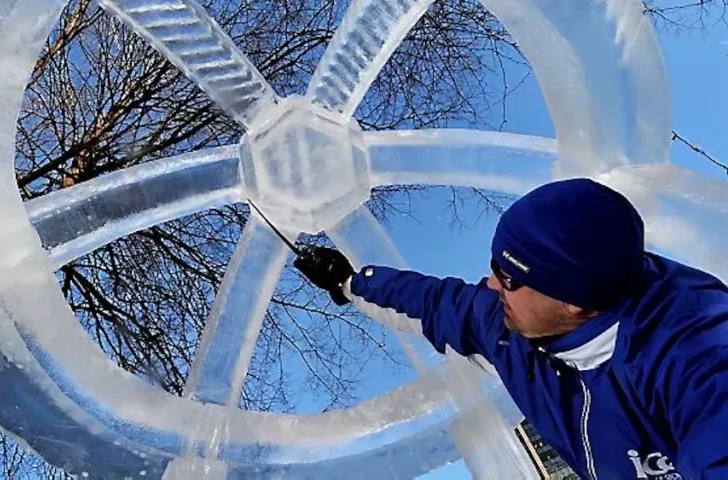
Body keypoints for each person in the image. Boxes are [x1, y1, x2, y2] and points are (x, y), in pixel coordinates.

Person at [293, 178, 728, 480]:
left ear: (574, 300)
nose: (490, 284)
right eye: (494, 267)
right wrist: (348, 281)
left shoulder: (694, 349)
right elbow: (433, 301)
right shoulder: (514, 331)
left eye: (509, 277)